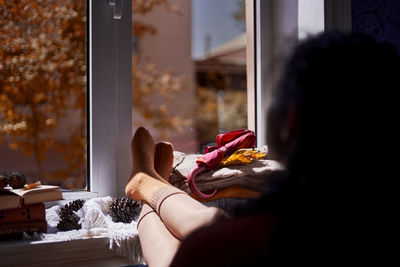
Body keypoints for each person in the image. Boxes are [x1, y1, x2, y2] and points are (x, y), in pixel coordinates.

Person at [125, 32, 400, 266]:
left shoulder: (225, 248)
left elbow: (202, 249)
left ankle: (149, 186)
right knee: (214, 226)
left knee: (201, 241)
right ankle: (150, 181)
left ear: (290, 122)